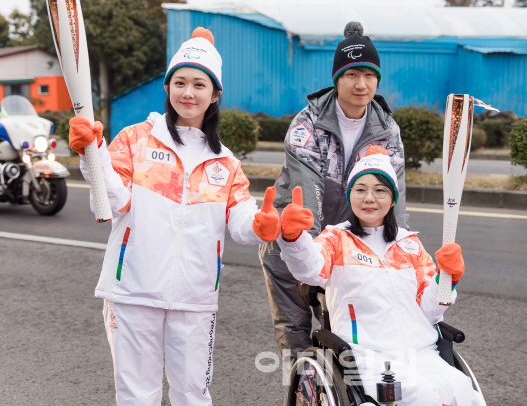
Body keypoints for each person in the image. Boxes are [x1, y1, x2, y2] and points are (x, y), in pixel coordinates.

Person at [69, 27, 282, 406]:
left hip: (195, 297)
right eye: (179, 82)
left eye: (199, 84)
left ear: (215, 94)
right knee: (137, 396)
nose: (188, 92)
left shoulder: (224, 162)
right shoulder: (136, 139)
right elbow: (114, 201)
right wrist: (93, 152)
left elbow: (241, 220)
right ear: (167, 88)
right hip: (133, 289)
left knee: (193, 396)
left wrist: (261, 224)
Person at [276, 146, 482, 406]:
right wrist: (294, 239)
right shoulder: (337, 239)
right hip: (367, 355)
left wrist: (447, 278)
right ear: (350, 195)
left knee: (463, 393)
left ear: (393, 198)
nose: (369, 198)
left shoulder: (410, 245)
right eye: (360, 189)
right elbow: (310, 268)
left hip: (420, 351)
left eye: (380, 190)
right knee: (421, 396)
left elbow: (430, 314)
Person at [259, 21, 408, 360]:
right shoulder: (307, 125)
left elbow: (392, 199)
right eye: (351, 74)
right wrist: (307, 257)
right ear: (337, 78)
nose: (361, 84)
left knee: (347, 337)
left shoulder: (386, 130)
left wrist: (397, 258)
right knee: (296, 339)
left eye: (369, 75)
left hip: (346, 248)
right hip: (294, 244)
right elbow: (305, 195)